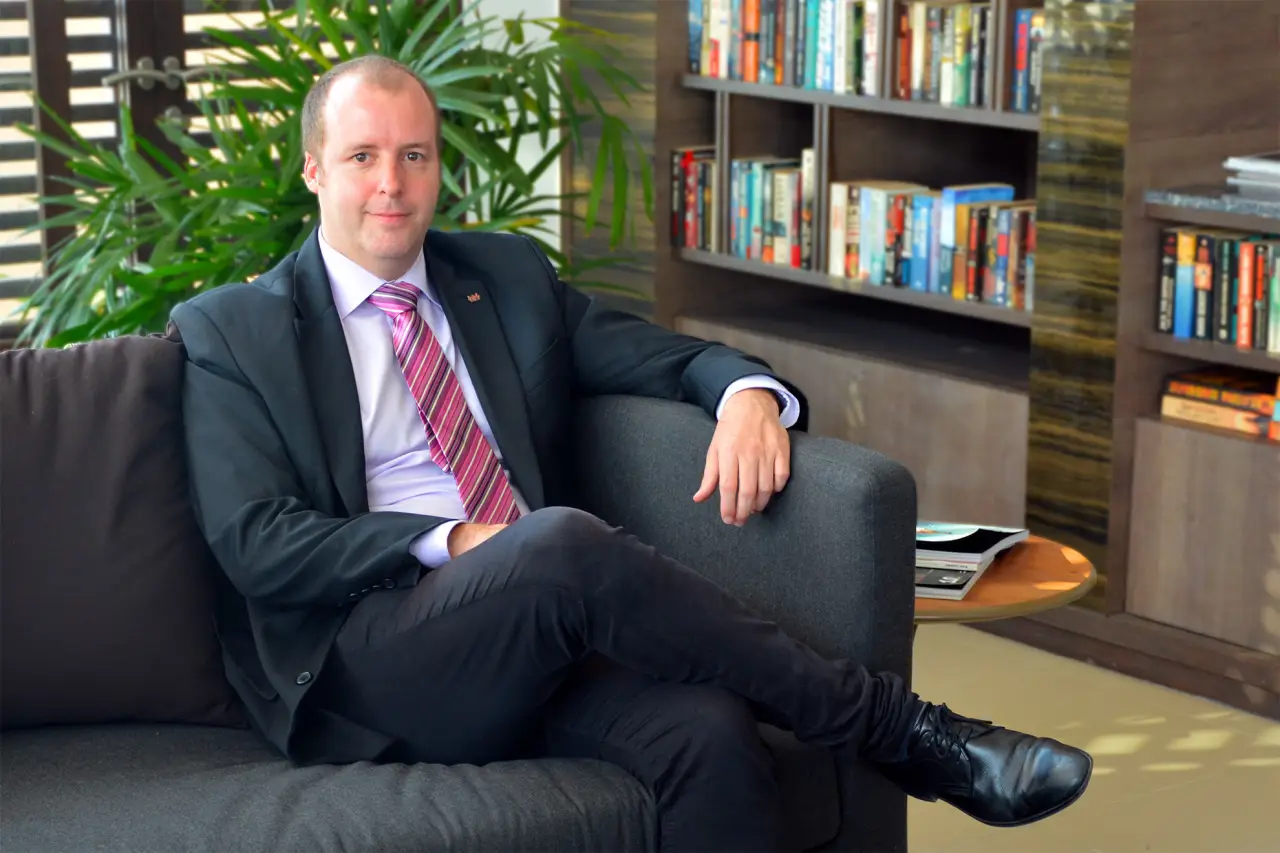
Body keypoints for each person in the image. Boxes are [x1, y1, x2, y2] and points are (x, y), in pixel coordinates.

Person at [170, 55, 1091, 852]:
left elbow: (673, 356)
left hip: (535, 623)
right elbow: (258, 540)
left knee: (711, 732)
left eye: (415, 154)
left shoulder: (503, 278)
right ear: (313, 171)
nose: (392, 184)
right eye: (362, 157)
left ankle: (904, 734)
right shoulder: (234, 329)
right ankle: (912, 734)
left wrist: (746, 400)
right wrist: (453, 542)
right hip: (369, 653)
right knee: (559, 542)